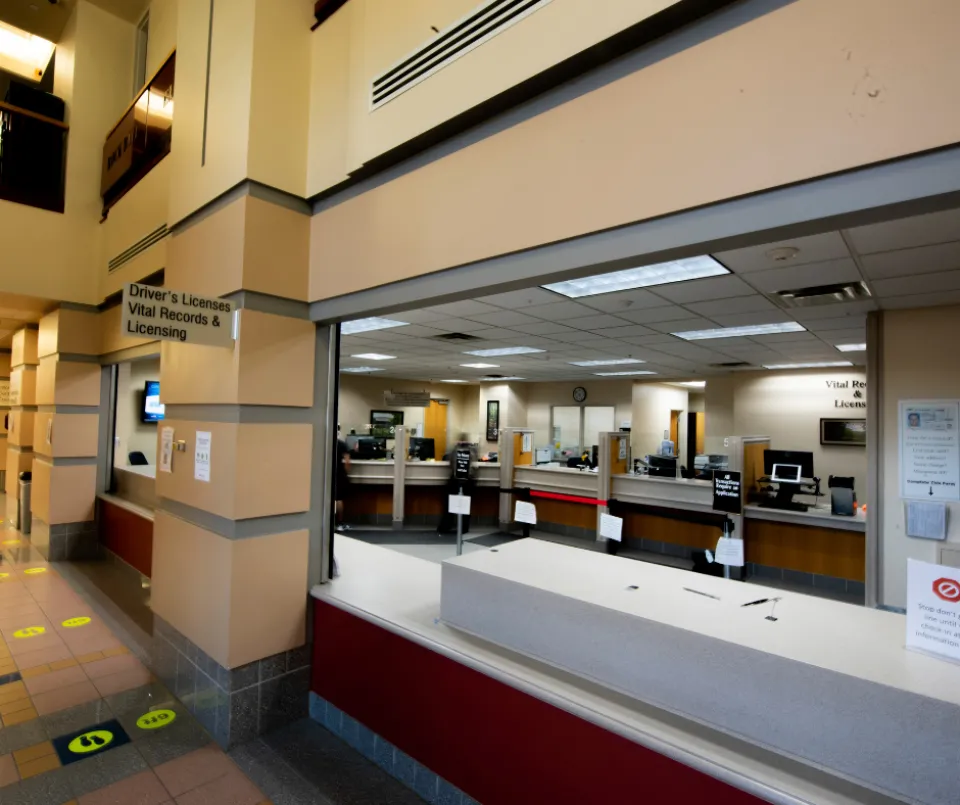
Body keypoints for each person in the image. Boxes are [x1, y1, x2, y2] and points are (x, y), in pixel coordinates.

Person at [335, 426, 351, 532]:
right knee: (338, 499)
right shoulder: (341, 444)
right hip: (339, 473)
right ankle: (339, 523)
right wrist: (346, 472)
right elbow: (347, 461)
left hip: (327, 473)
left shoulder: (324, 442)